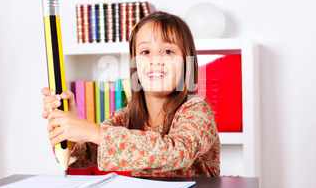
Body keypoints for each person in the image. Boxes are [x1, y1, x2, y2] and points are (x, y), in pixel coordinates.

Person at [42, 11, 220, 177]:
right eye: (145, 52)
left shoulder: (197, 111)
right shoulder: (124, 117)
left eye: (167, 51)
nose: (155, 60)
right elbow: (84, 156)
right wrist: (69, 129)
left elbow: (178, 152)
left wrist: (94, 131)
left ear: (187, 63)